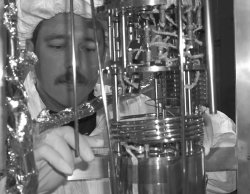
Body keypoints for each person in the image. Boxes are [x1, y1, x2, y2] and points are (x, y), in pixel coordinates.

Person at [15, 0, 237, 193]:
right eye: (58, 46)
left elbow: (232, 172)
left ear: (104, 55)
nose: (74, 64)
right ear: (31, 51)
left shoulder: (134, 112)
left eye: (90, 48)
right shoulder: (8, 128)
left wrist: (204, 131)